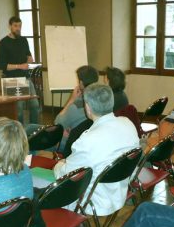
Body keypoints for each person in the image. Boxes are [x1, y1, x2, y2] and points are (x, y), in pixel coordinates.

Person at [54, 84, 139, 217]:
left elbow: (66, 176)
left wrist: (59, 165)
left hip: (93, 201)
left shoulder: (87, 140)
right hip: (120, 193)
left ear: (87, 107)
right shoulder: (127, 123)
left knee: (47, 186)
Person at [0, 16, 40, 125]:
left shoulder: (23, 40)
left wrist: (30, 58)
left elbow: (28, 56)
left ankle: (35, 130)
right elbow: (1, 65)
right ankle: (18, 133)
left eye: (20, 26)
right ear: (10, 26)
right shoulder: (3, 43)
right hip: (11, 79)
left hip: (25, 77)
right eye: (15, 26)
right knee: (18, 110)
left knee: (35, 105)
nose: (18, 28)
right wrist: (19, 66)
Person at [54, 65, 99, 152]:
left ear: (81, 83)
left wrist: (71, 100)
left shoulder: (76, 105)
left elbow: (57, 124)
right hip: (90, 142)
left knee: (31, 132)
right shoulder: (101, 99)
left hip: (71, 145)